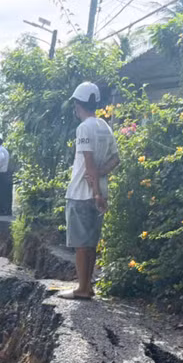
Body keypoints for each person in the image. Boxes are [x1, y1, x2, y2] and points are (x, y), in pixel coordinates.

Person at [59, 82, 119, 301]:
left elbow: (88, 162)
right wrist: (100, 181)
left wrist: (95, 192)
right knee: (90, 242)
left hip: (82, 193)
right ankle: (87, 286)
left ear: (78, 104)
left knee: (81, 245)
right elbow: (115, 159)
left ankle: (82, 288)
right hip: (98, 191)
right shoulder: (105, 126)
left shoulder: (84, 128)